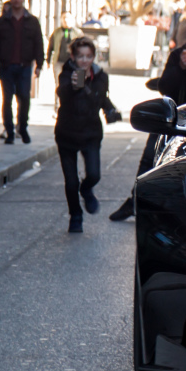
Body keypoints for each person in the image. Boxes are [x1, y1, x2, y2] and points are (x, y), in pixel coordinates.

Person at [110, 29, 186, 221]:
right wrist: (181, 67)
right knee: (149, 159)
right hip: (170, 116)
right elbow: (164, 87)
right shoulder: (177, 57)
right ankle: (136, 201)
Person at [56, 36, 121, 233]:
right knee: (71, 181)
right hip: (67, 133)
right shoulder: (67, 75)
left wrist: (110, 110)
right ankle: (75, 215)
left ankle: (87, 190)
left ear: (93, 57)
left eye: (88, 56)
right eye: (80, 56)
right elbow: (63, 94)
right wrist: (75, 86)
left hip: (91, 133)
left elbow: (100, 98)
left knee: (94, 174)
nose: (84, 61)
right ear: (74, 57)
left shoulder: (101, 76)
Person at [0, 0, 44, 144]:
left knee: (24, 98)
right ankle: (9, 132)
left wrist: (39, 64)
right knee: (7, 100)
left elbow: (38, 43)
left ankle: (22, 127)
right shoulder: (1, 21)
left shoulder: (32, 21)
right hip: (6, 66)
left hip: (25, 66)